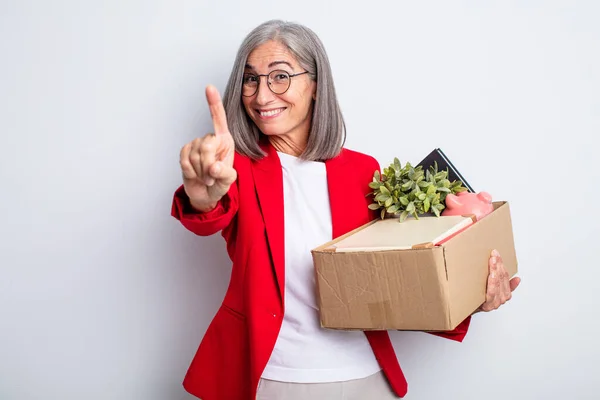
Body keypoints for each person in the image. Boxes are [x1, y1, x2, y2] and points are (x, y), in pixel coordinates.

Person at [171, 19, 521, 400]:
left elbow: (400, 279)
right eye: (251, 79)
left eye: (280, 77)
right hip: (271, 378)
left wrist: (473, 296)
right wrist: (202, 193)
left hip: (365, 376)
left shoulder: (363, 171)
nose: (261, 95)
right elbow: (208, 213)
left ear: (316, 85)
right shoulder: (237, 170)